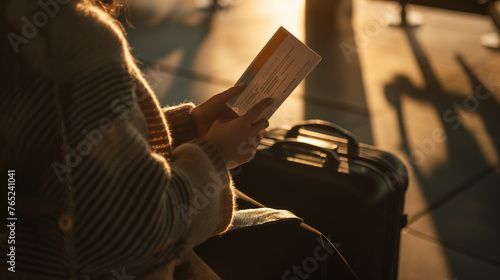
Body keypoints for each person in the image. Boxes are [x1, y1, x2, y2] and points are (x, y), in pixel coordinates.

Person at [0, 0, 273, 279]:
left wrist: (186, 129)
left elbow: (66, 157)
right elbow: (140, 230)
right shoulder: (70, 37)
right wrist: (215, 155)